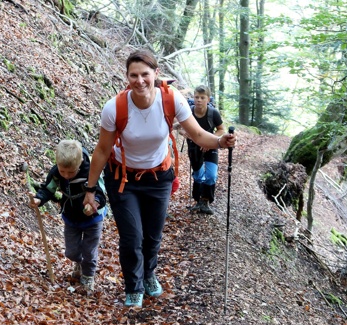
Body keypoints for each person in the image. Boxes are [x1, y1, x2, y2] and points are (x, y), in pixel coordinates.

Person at [82, 49, 236, 308]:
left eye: (145, 74)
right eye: (134, 75)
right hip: (123, 179)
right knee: (132, 237)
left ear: (156, 74)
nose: (140, 80)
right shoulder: (114, 108)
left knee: (152, 236)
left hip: (159, 177)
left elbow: (198, 135)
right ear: (127, 77)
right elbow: (102, 149)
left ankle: (149, 273)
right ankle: (134, 287)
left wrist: (221, 141)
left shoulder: (170, 99)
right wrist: (89, 188)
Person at [29, 139, 107, 293]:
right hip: (71, 217)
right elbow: (48, 189)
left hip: (93, 219)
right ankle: (78, 263)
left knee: (89, 251)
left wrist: (94, 204)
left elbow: (101, 194)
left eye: (71, 172)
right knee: (71, 251)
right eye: (62, 171)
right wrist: (39, 199)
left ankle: (88, 277)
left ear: (79, 164)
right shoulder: (57, 172)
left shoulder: (91, 172)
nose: (66, 175)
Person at [186, 85, 224, 215]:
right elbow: (181, 127)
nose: (199, 100)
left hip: (210, 147)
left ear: (208, 99)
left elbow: (221, 129)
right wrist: (191, 137)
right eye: (196, 97)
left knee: (211, 175)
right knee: (198, 175)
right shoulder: (188, 112)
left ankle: (206, 201)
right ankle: (198, 201)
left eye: (202, 97)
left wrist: (211, 141)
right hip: (194, 147)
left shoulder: (213, 113)